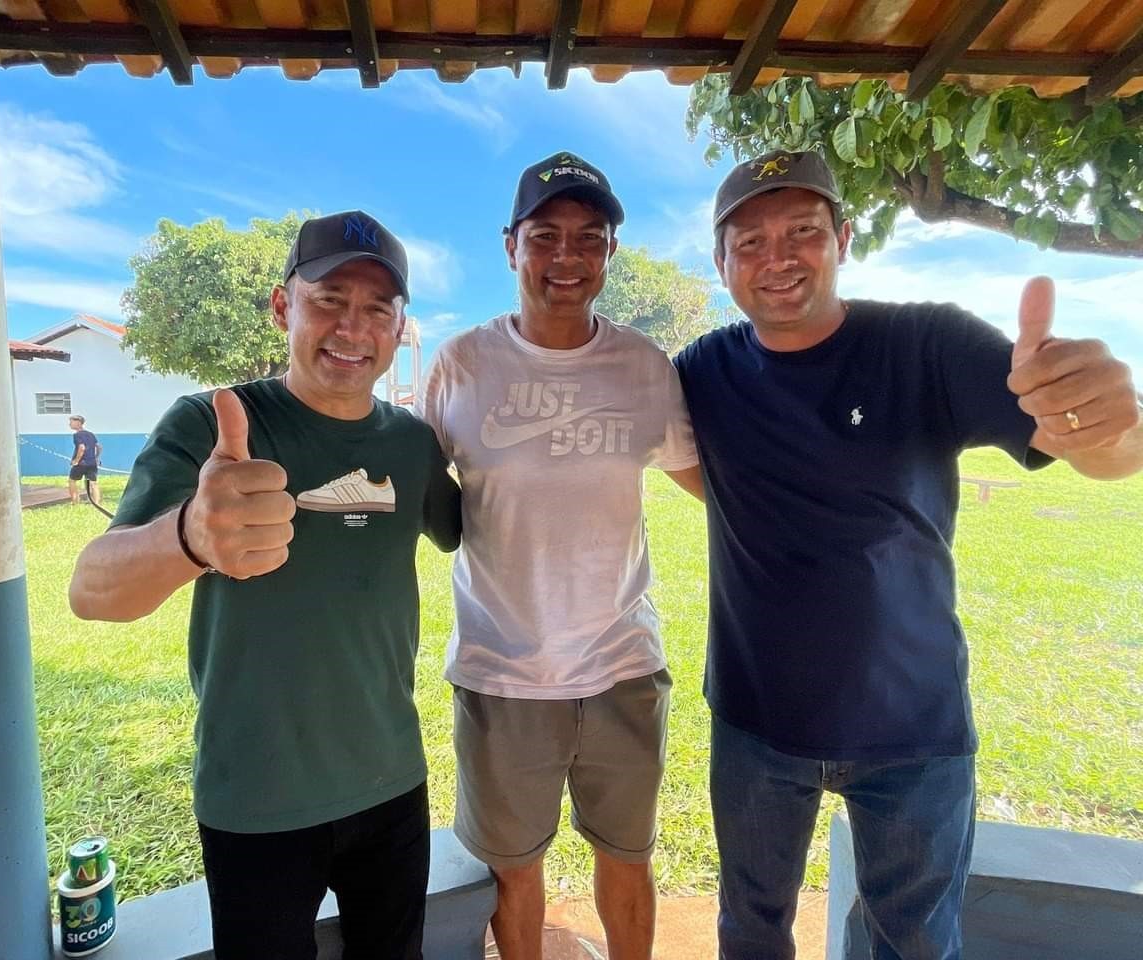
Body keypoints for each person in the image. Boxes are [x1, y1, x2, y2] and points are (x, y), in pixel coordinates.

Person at [673, 149, 1143, 960]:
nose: (777, 257)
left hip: (913, 725)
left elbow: (1095, 450)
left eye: (803, 231)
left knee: (916, 945)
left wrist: (1111, 426)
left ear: (844, 238)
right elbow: (678, 462)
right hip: (755, 723)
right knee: (749, 932)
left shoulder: (928, 343)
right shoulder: (702, 371)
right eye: (749, 242)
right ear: (722, 264)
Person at [69, 210, 462, 960]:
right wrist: (190, 535)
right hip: (255, 795)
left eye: (377, 308)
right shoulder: (209, 425)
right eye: (329, 300)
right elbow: (93, 592)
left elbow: (477, 530)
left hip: (391, 778)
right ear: (284, 306)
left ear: (398, 327)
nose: (353, 328)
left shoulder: (413, 445)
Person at [418, 152, 704, 959]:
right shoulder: (461, 364)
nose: (567, 257)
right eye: (545, 236)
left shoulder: (644, 367)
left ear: (611, 252)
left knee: (629, 858)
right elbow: (409, 486)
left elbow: (715, 488)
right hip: (501, 671)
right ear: (511, 245)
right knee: (514, 873)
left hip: (622, 666)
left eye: (589, 238)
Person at [68, 414, 102, 506]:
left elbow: (82, 447)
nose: (69, 424)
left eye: (71, 422)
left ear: (78, 423)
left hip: (81, 464)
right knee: (93, 483)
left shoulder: (77, 435)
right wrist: (96, 458)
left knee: (72, 481)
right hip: (92, 463)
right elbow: (99, 447)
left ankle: (75, 502)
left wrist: (76, 461)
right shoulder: (91, 434)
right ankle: (96, 503)